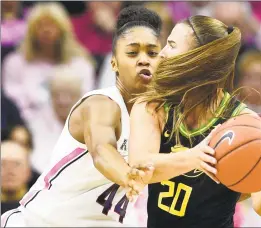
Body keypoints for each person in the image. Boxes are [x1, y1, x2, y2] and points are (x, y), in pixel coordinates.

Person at [127, 15, 261, 228]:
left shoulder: (242, 122)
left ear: (198, 60)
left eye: (171, 45)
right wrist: (194, 157)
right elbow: (138, 169)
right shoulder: (153, 105)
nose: (161, 53)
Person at [1, 6, 161, 227]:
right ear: (113, 62)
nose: (144, 60)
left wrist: (198, 157)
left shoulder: (157, 116)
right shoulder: (102, 104)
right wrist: (128, 175)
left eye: (152, 53)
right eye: (132, 53)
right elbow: (101, 150)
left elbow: (164, 166)